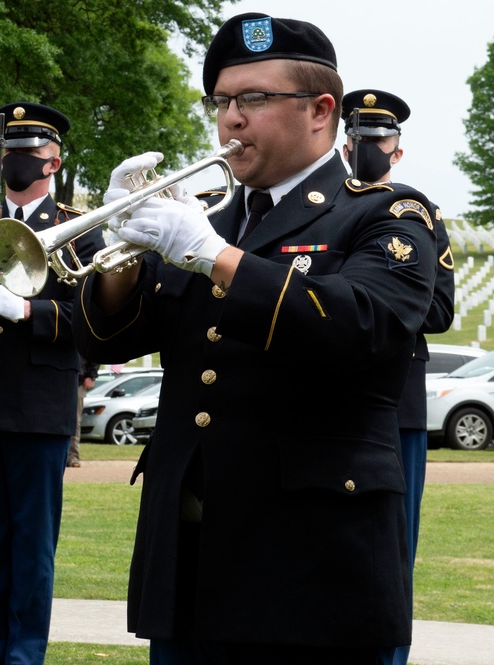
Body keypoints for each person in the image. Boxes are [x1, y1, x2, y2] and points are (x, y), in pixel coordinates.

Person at [73, 13, 440, 664]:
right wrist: (123, 249)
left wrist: (213, 255)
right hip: (191, 565)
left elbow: (365, 325)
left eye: (254, 99)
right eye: (221, 100)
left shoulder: (383, 214)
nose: (230, 119)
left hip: (313, 567)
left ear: (321, 111)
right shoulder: (209, 217)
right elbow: (108, 338)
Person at [0, 101, 104, 665]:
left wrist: (28, 312)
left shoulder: (78, 230)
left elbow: (91, 323)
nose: (16, 160)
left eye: (29, 152)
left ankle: (25, 656)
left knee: (32, 548)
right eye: (10, 149)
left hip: (39, 408)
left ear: (54, 162)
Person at [342, 88, 456, 665]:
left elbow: (440, 310)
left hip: (397, 397)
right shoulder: (325, 206)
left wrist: (384, 300)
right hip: (329, 392)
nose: (369, 149)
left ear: (398, 151)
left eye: (379, 141)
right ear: (345, 144)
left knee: (392, 548)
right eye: (360, 140)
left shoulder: (420, 214)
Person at [68, 357, 99, 468]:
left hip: (78, 380)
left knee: (75, 420)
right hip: (57, 378)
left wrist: (91, 376)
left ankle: (72, 456)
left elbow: (94, 352)